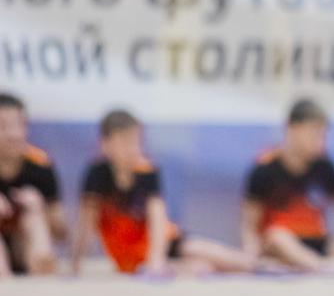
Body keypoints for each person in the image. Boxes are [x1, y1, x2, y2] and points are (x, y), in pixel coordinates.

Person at [71, 109, 255, 277]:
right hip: (129, 258)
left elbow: (157, 218)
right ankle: (182, 267)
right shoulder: (96, 174)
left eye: (135, 141)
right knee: (200, 267)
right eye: (124, 142)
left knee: (230, 261)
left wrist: (156, 260)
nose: (132, 148)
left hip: (164, 244)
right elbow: (86, 222)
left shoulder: (146, 171)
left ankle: (250, 264)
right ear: (105, 144)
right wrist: (76, 263)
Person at [242, 98, 334, 273]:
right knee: (277, 236)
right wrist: (252, 257)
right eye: (314, 134)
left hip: (321, 243)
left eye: (323, 135)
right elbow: (249, 226)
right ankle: (322, 267)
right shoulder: (265, 168)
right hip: (283, 246)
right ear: (292, 129)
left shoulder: (324, 165)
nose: (320, 142)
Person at [0, 93, 68, 277]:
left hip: (24, 251)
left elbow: (61, 234)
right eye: (3, 126)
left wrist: (40, 208)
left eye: (19, 125)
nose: (13, 134)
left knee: (33, 219)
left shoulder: (41, 165)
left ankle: (41, 282)